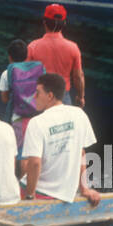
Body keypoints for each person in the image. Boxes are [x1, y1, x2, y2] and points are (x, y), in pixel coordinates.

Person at [20, 73, 101, 205]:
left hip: (40, 193)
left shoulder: (37, 122)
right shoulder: (79, 114)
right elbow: (81, 153)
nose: (34, 97)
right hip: (66, 194)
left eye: (37, 93)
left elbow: (34, 163)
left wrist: (30, 196)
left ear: (50, 96)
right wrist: (84, 189)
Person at [27, 3, 85, 107]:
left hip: (40, 98)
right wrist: (80, 97)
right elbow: (78, 77)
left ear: (44, 22)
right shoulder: (73, 48)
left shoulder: (33, 47)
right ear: (64, 23)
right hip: (63, 98)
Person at [0, 38, 44, 150]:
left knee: (17, 151)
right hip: (37, 117)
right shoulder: (36, 70)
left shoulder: (6, 73)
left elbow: (4, 99)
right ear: (27, 55)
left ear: (9, 56)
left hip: (18, 119)